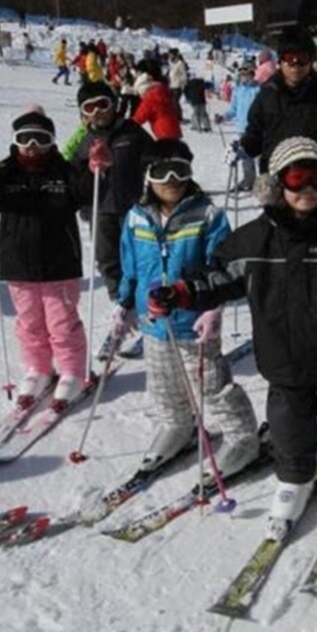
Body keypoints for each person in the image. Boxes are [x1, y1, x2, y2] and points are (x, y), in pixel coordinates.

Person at [149, 136, 317, 538]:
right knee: (287, 425)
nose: (307, 189)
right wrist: (181, 293)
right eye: (297, 178)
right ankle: (295, 477)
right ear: (278, 184)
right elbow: (219, 278)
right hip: (281, 359)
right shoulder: (253, 240)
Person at [110, 139, 260, 475]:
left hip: (195, 319)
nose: (173, 178)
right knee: (163, 384)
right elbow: (130, 265)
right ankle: (178, 425)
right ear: (149, 176)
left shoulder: (208, 215)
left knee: (212, 386)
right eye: (164, 171)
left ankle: (242, 437)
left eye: (182, 169)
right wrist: (124, 304)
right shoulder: (136, 218)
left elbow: (222, 266)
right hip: (153, 321)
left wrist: (214, 307)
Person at [0, 108, 108, 412]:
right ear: (15, 141)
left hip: (60, 263)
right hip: (19, 264)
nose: (31, 145)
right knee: (30, 322)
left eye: (40, 139)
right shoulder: (7, 171)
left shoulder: (62, 170)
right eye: (24, 138)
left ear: (51, 142)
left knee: (62, 322)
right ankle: (39, 368)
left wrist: (97, 171)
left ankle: (72, 369)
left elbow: (84, 192)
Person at [68, 82, 157, 355]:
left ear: (114, 104)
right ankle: (123, 311)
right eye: (89, 107)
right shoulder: (84, 141)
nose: (98, 112)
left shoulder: (131, 132)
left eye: (103, 104)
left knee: (141, 264)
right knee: (108, 262)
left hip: (134, 210)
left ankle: (148, 320)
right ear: (83, 113)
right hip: (101, 210)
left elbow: (155, 160)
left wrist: (155, 196)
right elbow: (73, 176)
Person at [238, 26, 317, 173]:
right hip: (277, 174)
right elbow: (254, 133)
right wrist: (243, 149)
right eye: (290, 58)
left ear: (310, 60)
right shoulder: (267, 95)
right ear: (280, 61)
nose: (296, 65)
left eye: (302, 59)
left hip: (315, 176)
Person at [215, 60, 260, 192]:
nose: (244, 77)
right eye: (242, 74)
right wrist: (223, 117)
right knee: (246, 158)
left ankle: (264, 183)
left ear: (252, 73)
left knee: (261, 159)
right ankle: (248, 181)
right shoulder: (238, 90)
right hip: (242, 129)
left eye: (247, 73)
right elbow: (233, 109)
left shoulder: (259, 89)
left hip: (258, 129)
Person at [130, 62, 183, 140]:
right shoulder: (161, 89)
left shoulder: (152, 95)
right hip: (173, 129)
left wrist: (127, 127)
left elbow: (139, 117)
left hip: (164, 134)